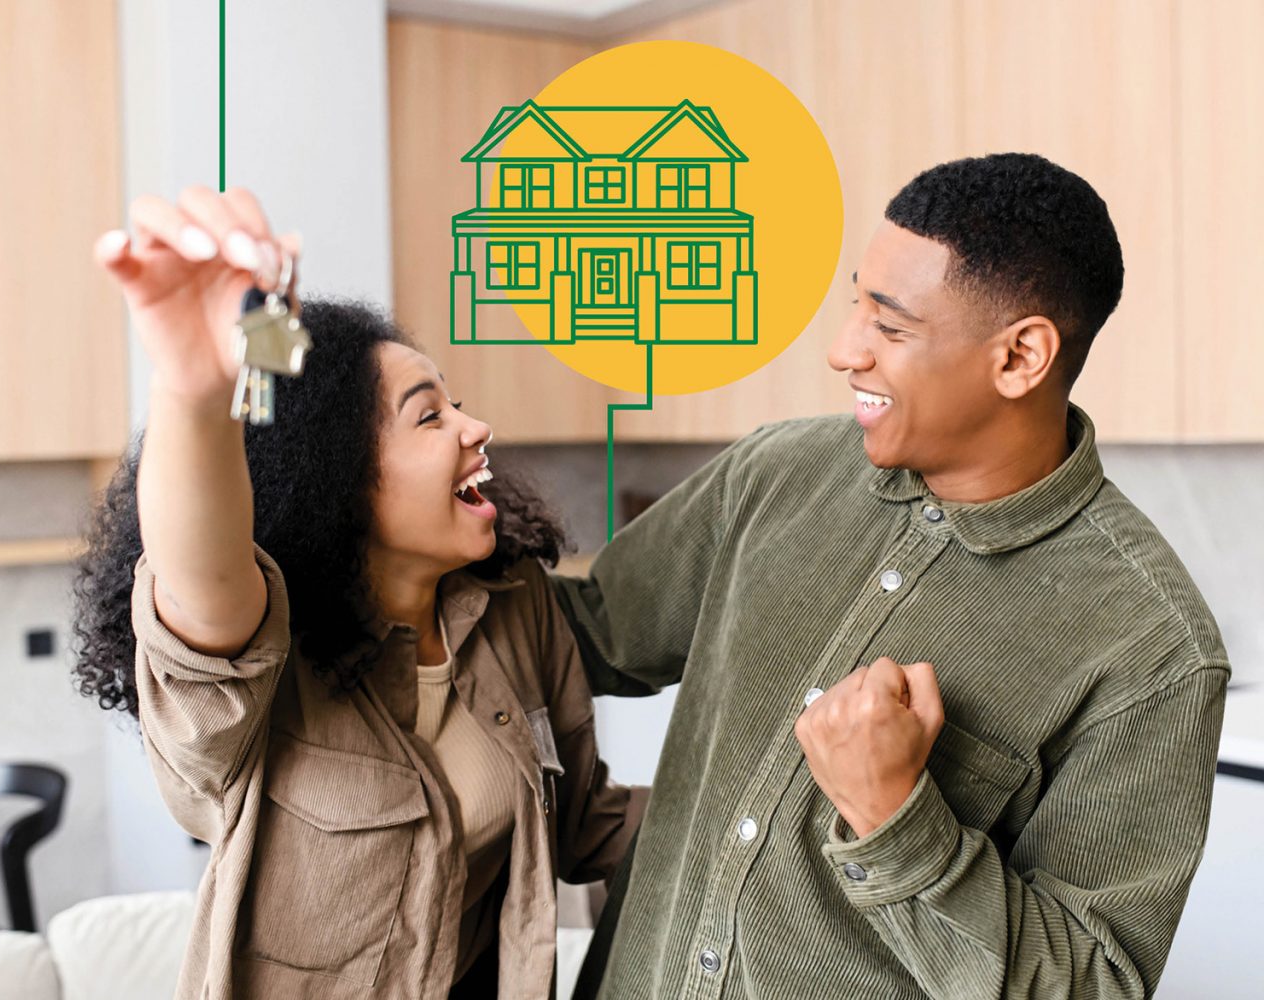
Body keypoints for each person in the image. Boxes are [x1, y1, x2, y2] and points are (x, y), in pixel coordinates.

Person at [560, 153, 1230, 999]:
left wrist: (896, 821)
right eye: (856, 308)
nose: (845, 352)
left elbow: (1092, 986)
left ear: (1021, 357)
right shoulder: (774, 474)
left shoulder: (1151, 648)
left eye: (891, 326)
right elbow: (584, 633)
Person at [69, 186, 642, 999]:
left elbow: (584, 822)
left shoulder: (517, 603)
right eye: (429, 417)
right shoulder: (264, 645)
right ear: (337, 480)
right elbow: (201, 580)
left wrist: (780, 804)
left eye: (458, 403)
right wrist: (195, 393)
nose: (475, 429)